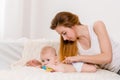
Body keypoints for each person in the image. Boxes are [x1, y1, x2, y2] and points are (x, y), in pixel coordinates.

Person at [50, 11, 120, 75]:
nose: (64, 38)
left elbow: (107, 57)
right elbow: (86, 67)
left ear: (72, 25)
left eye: (64, 33)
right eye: (61, 35)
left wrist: (79, 58)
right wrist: (45, 64)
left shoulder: (97, 26)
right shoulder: (74, 46)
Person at [26, 46, 97, 72]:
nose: (45, 63)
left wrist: (53, 67)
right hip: (74, 66)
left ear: (55, 58)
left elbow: (61, 70)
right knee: (90, 67)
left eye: (48, 60)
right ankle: (89, 63)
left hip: (77, 67)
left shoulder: (56, 64)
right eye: (43, 60)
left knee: (93, 69)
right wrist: (38, 66)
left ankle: (91, 61)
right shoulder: (49, 66)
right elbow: (45, 68)